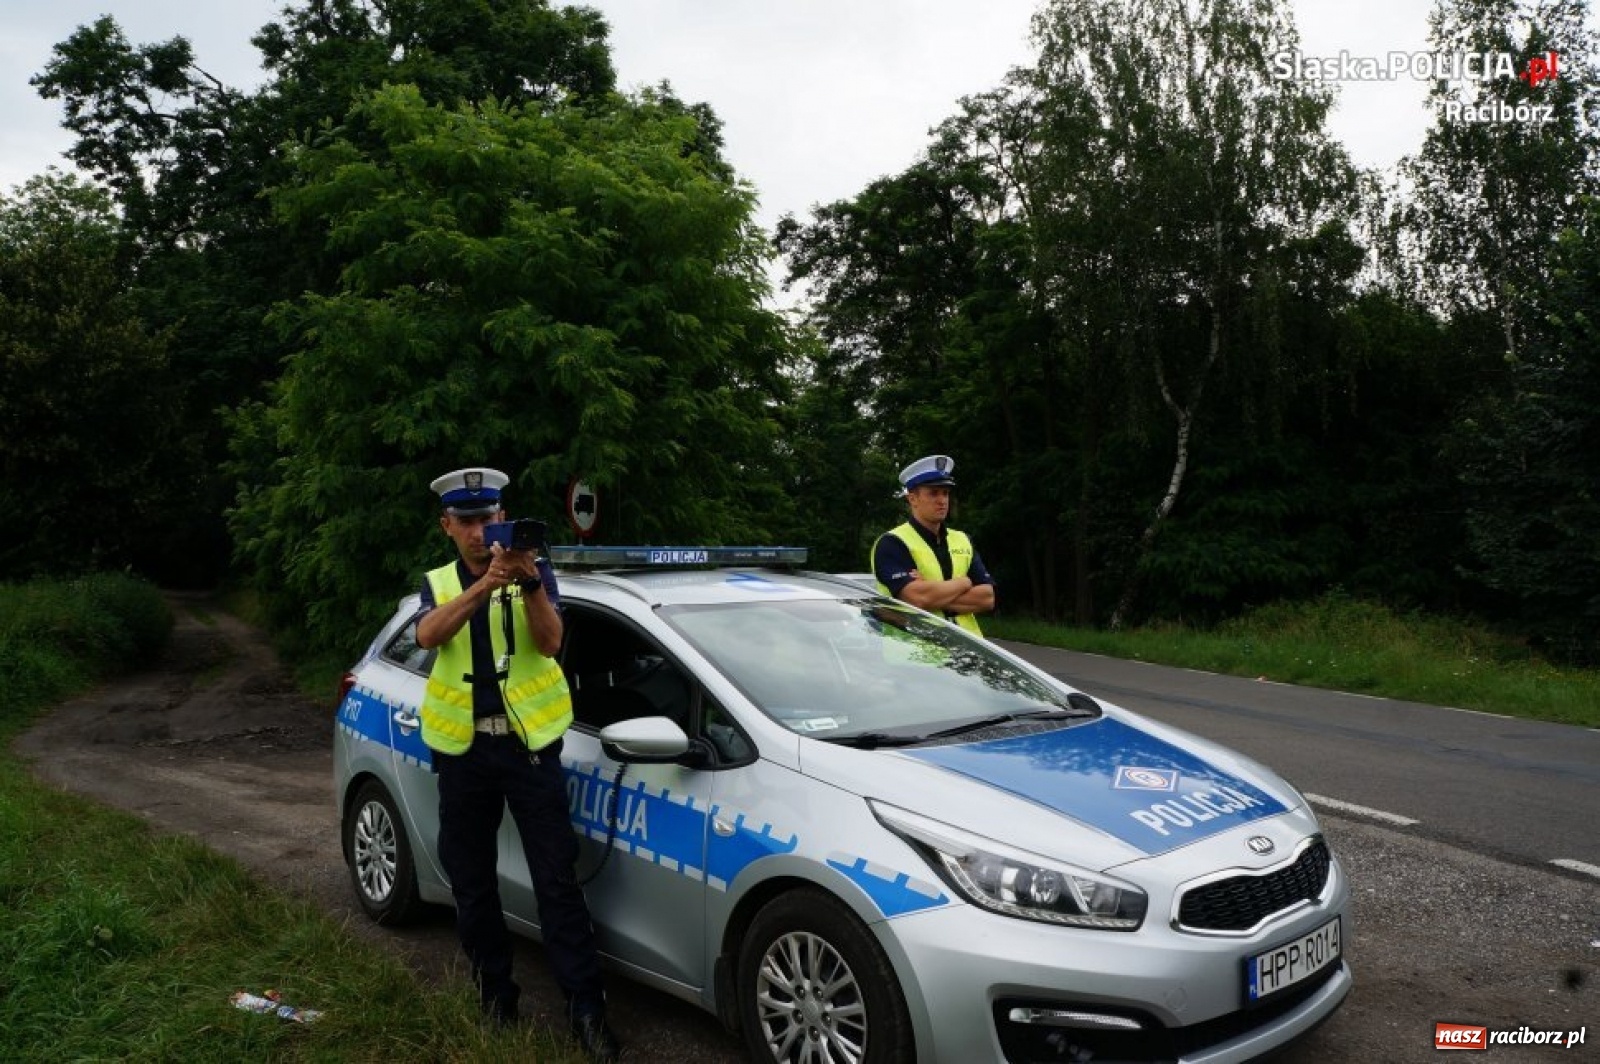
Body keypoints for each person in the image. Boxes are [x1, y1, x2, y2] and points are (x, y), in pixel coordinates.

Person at [414, 466, 620, 1061]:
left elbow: (552, 644)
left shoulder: (537, 572)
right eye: (470, 522)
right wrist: (483, 586)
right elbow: (429, 636)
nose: (482, 532)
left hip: (530, 749)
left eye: (491, 518)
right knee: (473, 882)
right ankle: (495, 998)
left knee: (556, 880)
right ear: (448, 526)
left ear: (505, 518)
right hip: (464, 750)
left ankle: (586, 1009)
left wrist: (526, 583)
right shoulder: (440, 581)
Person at [871, 454, 995, 636]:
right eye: (933, 493)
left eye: (945, 493)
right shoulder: (892, 542)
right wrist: (965, 582)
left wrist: (931, 590)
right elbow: (917, 598)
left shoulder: (962, 539)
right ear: (912, 499)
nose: (942, 500)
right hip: (913, 656)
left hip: (965, 652)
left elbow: (986, 598)